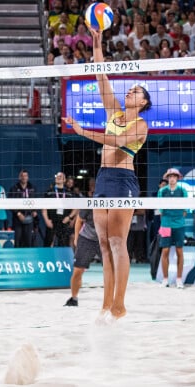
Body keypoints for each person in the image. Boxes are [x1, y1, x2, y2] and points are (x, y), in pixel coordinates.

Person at [62, 27, 151, 322]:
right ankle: (105, 305)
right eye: (130, 89)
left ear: (144, 103)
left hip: (123, 181)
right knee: (103, 245)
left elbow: (117, 142)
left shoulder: (141, 125)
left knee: (117, 242)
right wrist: (97, 44)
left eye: (136, 92)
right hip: (103, 179)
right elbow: (101, 76)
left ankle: (120, 305)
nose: (129, 92)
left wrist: (83, 131)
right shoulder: (114, 111)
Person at [157, 168, 188, 289]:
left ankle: (179, 280)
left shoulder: (183, 191)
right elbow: (161, 210)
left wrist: (177, 215)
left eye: (174, 176)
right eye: (170, 176)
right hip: (166, 224)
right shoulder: (162, 191)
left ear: (177, 178)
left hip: (179, 224)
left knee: (179, 251)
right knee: (165, 251)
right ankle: (165, 279)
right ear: (167, 178)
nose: (172, 178)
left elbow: (185, 210)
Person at [64, 208, 101, 307]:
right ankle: (74, 298)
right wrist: (76, 238)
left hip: (105, 239)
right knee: (77, 271)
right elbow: (79, 220)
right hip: (87, 239)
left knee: (111, 271)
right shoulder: (89, 204)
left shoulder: (114, 203)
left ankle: (114, 299)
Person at [41, 171, 78, 247]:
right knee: (49, 243)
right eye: (57, 176)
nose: (58, 177)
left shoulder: (69, 193)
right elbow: (43, 208)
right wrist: (46, 220)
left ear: (64, 180)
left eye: (60, 176)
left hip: (64, 221)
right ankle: (49, 258)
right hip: (52, 221)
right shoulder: (49, 192)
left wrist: (69, 217)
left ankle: (63, 258)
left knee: (64, 244)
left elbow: (76, 207)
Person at [8, 169, 38, 247]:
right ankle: (17, 258)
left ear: (28, 177)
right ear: (19, 177)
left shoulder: (32, 188)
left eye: (25, 176)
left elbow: (36, 201)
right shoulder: (14, 188)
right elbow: (10, 203)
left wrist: (34, 211)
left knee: (28, 241)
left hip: (29, 218)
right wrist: (18, 213)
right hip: (18, 219)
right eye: (22, 176)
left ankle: (28, 258)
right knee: (17, 242)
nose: (24, 177)